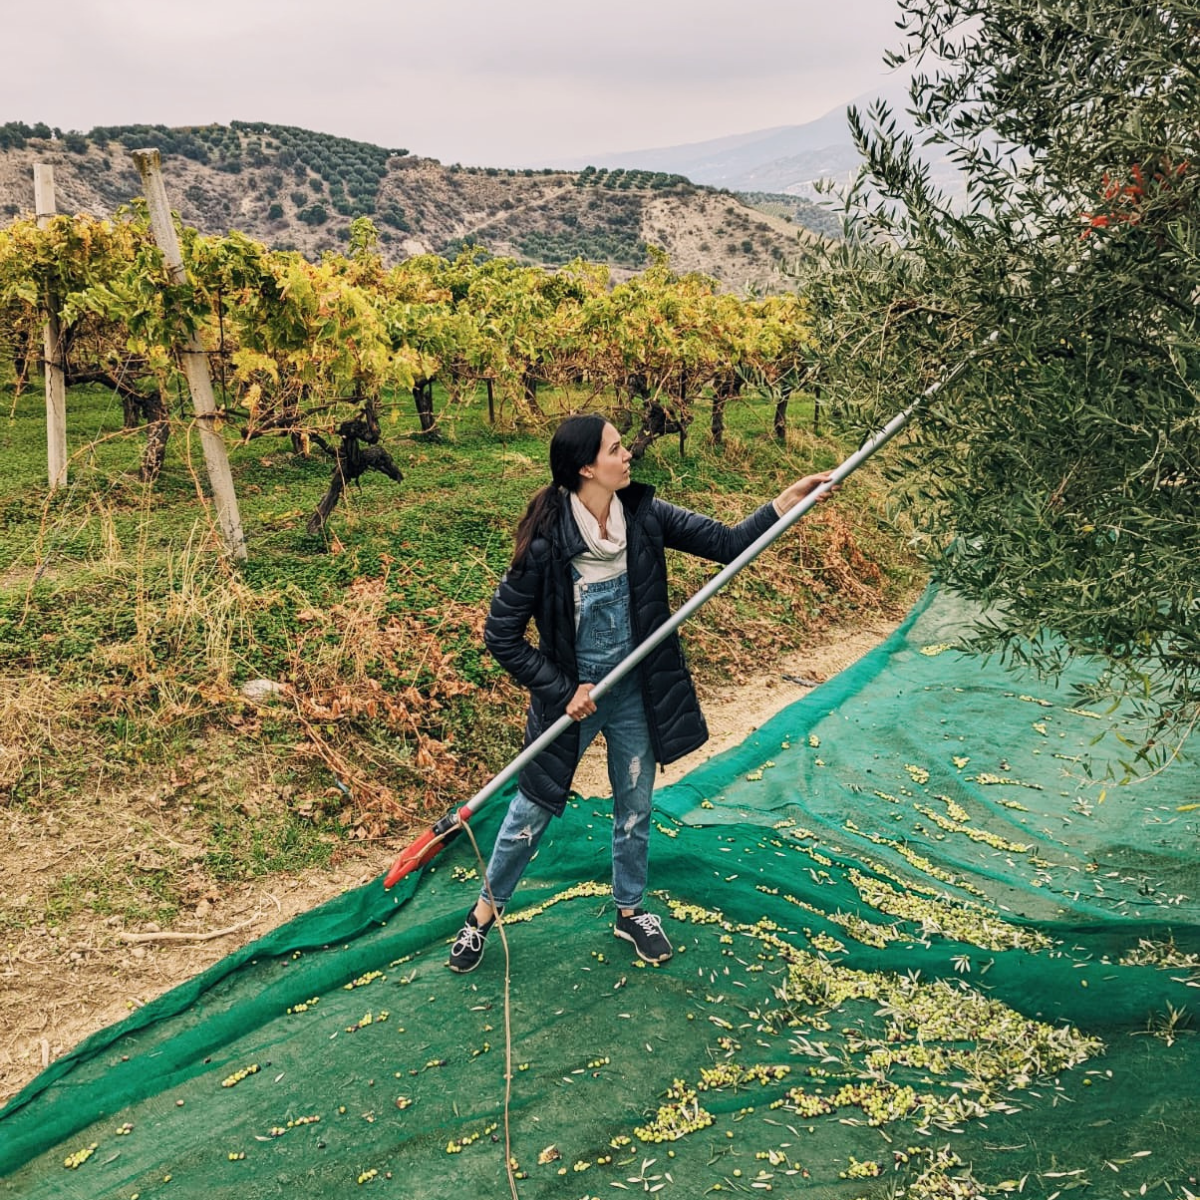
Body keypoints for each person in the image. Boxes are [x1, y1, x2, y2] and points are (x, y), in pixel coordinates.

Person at [448, 413, 835, 972]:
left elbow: (727, 544)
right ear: (586, 467)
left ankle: (629, 910)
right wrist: (562, 690)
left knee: (634, 806)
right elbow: (501, 636)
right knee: (530, 812)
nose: (628, 455)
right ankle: (483, 915)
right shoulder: (546, 544)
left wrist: (785, 503)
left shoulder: (645, 516)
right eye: (616, 448)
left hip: (635, 691)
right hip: (571, 702)